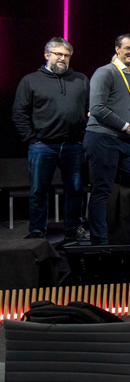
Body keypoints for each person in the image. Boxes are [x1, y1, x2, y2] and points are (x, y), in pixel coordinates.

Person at [13, 37, 90, 241]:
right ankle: (38, 230)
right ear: (47, 55)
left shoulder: (81, 79)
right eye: (58, 54)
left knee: (75, 189)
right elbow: (19, 113)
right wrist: (31, 139)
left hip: (73, 145)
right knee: (39, 190)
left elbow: (89, 109)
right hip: (43, 145)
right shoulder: (30, 80)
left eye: (66, 55)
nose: (62, 58)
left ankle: (73, 228)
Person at [85, 34, 130, 245]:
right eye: (128, 48)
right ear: (117, 49)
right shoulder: (105, 72)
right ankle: (100, 243)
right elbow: (97, 108)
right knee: (102, 190)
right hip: (102, 137)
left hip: (126, 140)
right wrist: (127, 127)